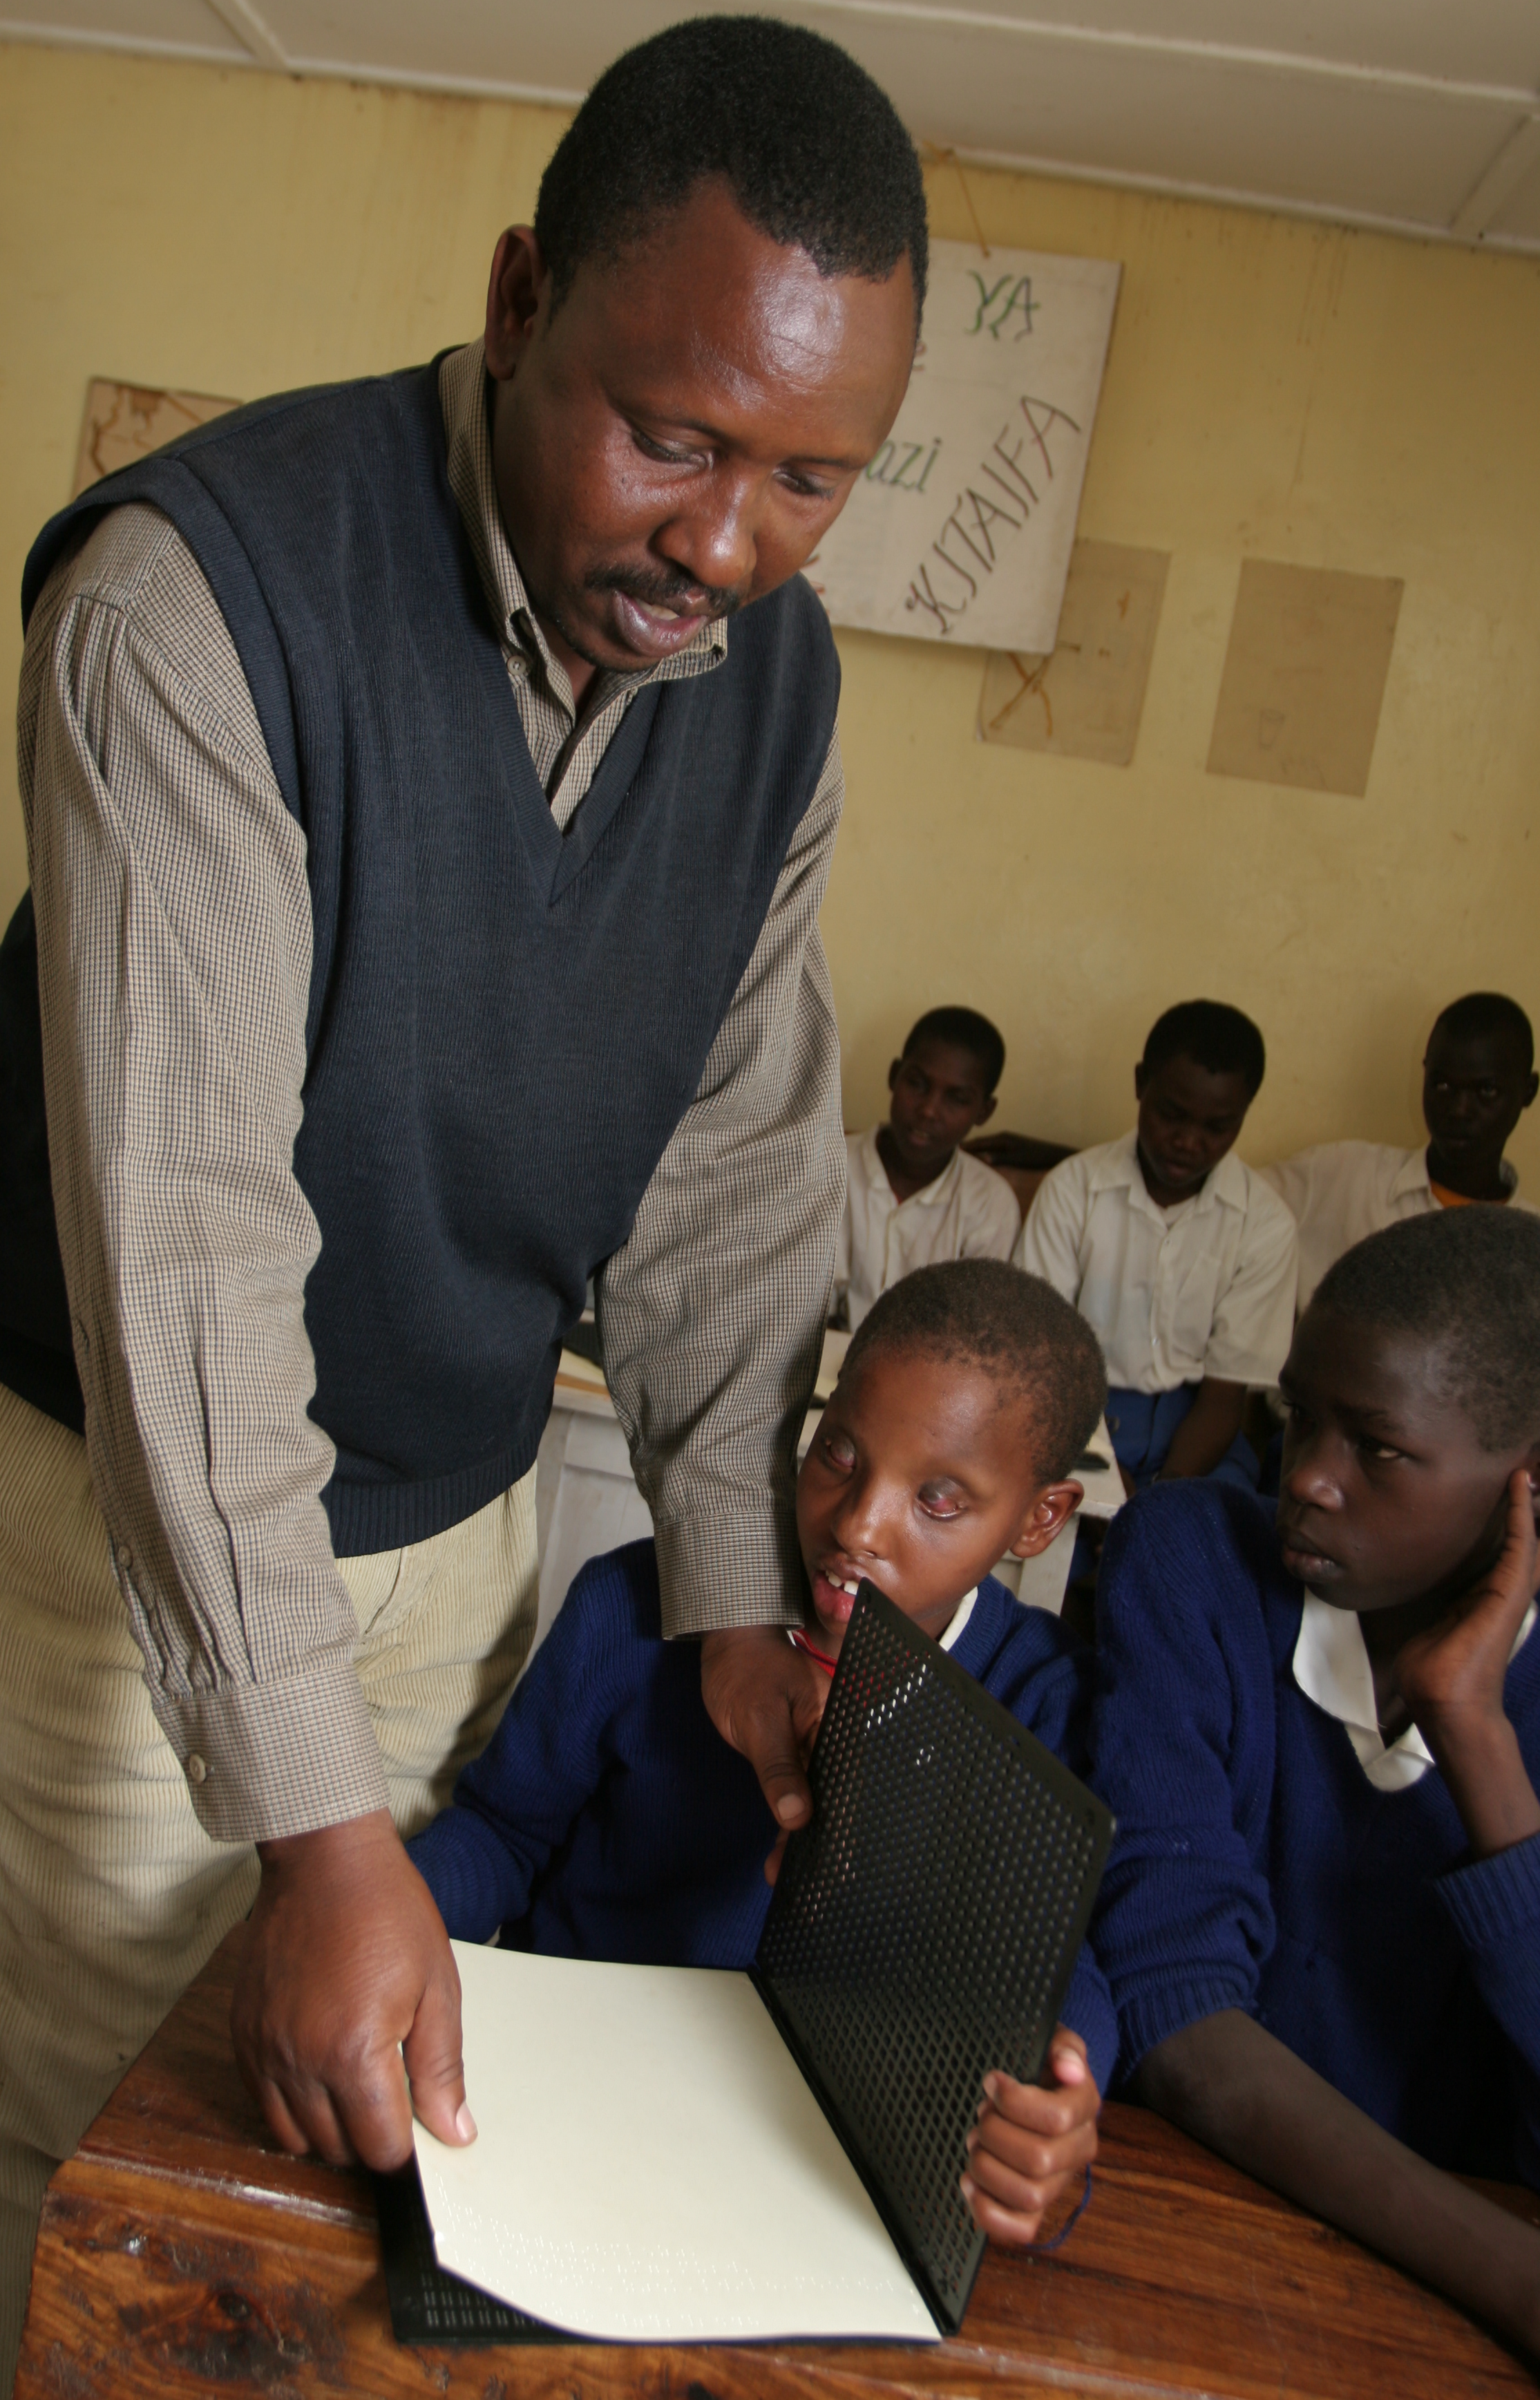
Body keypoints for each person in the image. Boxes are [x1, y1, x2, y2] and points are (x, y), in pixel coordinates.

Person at [0, 18, 928, 2395]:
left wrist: (728, 1604)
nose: (723, 545)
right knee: (72, 2136)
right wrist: (305, 1819)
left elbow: (727, 1179)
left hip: (456, 1529)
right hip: (117, 1528)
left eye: (811, 478)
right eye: (670, 435)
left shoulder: (769, 686)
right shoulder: (195, 600)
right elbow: (183, 1247)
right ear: (510, 300)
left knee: (368, 2150)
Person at [410, 1257, 1111, 2245]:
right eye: (838, 1454)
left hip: (802, 2165)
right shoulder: (637, 1606)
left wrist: (1058, 2092)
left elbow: (1062, 1967)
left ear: (1038, 1520)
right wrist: (391, 1912)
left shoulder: (1040, 1704)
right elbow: (504, 1832)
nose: (858, 1526)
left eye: (940, 1500)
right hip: (564, 2090)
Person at [1090, 1207, 1540, 2363]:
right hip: (1192, 2220)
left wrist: (1477, 1735)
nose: (1309, 1478)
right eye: (1301, 1415)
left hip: (1429, 2311)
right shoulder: (1188, 1556)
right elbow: (1177, 2017)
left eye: (1375, 1447)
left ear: (1524, 1484)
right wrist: (1515, 2278)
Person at [1019, 1000, 1295, 1495]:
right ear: (1141, 1083)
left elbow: (1224, 1398)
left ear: (1244, 1113)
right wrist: (1107, 1480)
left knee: (1201, 1548)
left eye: (1217, 1128)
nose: (1188, 1141)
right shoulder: (1073, 1191)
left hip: (1202, 1432)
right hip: (1077, 1415)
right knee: (1041, 1540)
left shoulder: (1265, 1223)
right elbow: (1044, 1359)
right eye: (1172, 1114)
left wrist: (1154, 1502)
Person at [1263, 992, 1538, 1316]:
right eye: (1442, 1085)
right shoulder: (1342, 1176)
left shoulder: (1530, 1245)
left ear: (1528, 1092)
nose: (1459, 1110)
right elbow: (1225, 1210)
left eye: (1486, 1091)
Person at [837, 1008, 1020, 1331]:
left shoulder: (990, 1203)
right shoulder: (831, 1163)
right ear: (894, 1075)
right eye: (918, 1084)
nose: (929, 1110)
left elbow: (975, 1330)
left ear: (984, 1111)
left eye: (957, 1099)